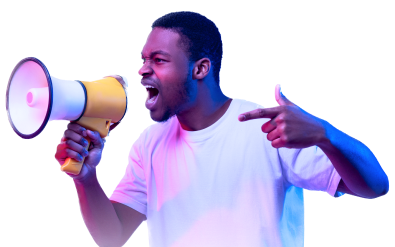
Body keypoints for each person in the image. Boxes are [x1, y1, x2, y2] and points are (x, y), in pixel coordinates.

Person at [54, 11, 389, 247]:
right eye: (143, 59)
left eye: (158, 60)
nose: (142, 70)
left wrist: (325, 134)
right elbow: (111, 237)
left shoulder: (266, 129)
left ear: (200, 68)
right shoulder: (149, 143)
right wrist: (86, 178)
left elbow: (375, 186)